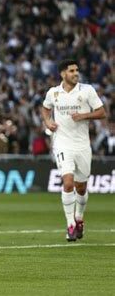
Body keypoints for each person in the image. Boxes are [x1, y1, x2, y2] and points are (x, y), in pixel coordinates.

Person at [41, 59, 106, 242]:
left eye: (77, 70)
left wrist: (84, 115)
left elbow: (102, 112)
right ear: (63, 74)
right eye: (72, 71)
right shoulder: (53, 93)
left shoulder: (87, 91)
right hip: (62, 144)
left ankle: (79, 218)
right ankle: (70, 225)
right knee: (68, 183)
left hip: (82, 145)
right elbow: (45, 109)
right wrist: (47, 121)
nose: (76, 73)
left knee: (81, 187)